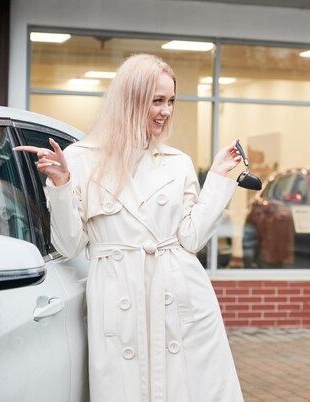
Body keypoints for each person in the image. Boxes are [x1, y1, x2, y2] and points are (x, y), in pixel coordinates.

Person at [15, 54, 244, 402]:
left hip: (178, 291)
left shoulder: (177, 162)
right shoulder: (80, 159)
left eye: (170, 101)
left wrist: (215, 177)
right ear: (131, 99)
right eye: (157, 100)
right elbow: (70, 245)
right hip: (118, 292)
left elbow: (192, 238)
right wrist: (60, 186)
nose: (166, 111)